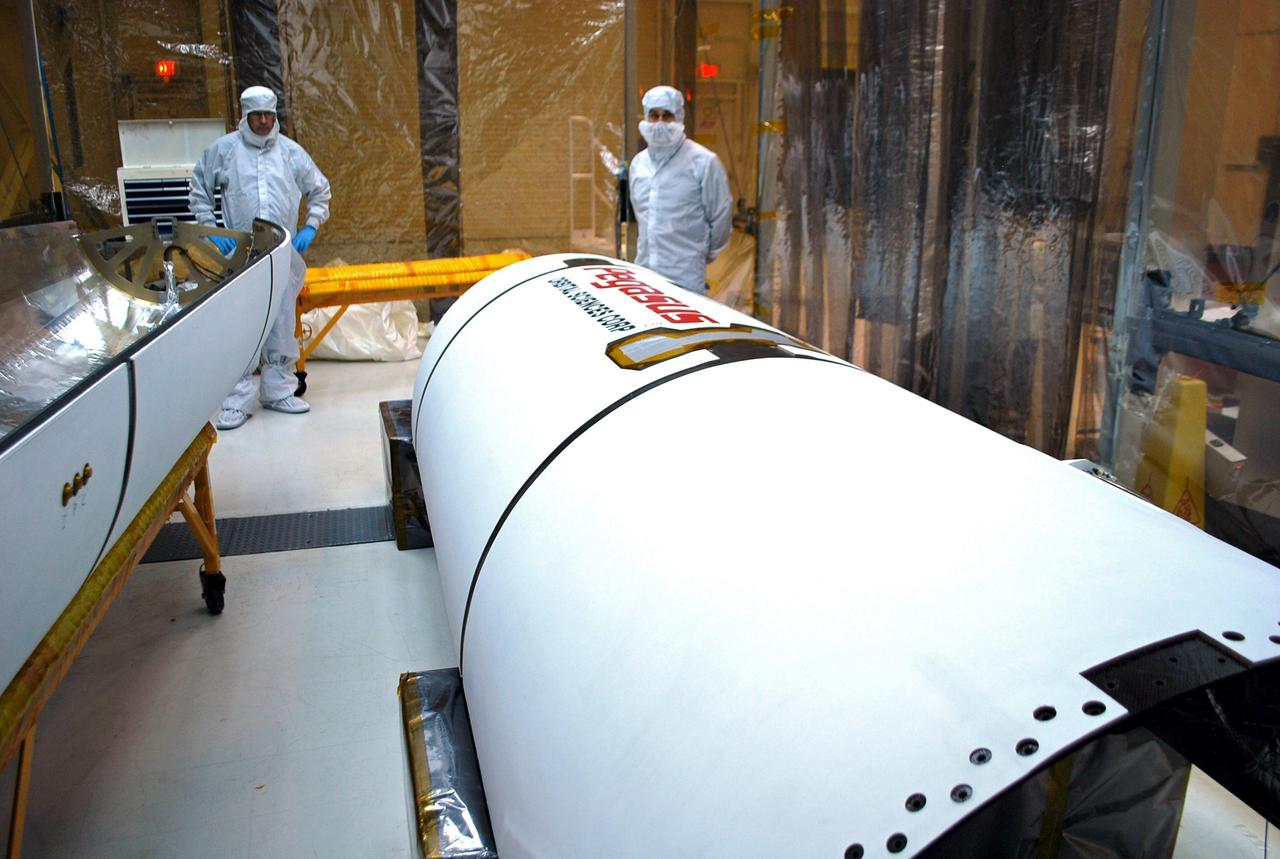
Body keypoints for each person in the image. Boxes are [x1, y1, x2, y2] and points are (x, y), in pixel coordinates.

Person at [190, 85, 332, 430]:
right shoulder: (224, 151)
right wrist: (212, 229)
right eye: (257, 116)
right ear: (245, 116)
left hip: (282, 253)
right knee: (242, 326)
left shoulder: (291, 153)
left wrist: (311, 226)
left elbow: (319, 189)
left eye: (269, 115)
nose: (265, 121)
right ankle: (236, 401)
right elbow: (199, 189)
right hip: (241, 257)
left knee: (281, 320)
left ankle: (278, 392)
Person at [628, 85, 732, 295]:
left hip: (685, 277)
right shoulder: (638, 164)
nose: (660, 123)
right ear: (646, 117)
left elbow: (721, 216)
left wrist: (704, 254)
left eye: (667, 115)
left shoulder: (703, 162)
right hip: (645, 274)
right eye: (654, 115)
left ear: (679, 117)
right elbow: (642, 218)